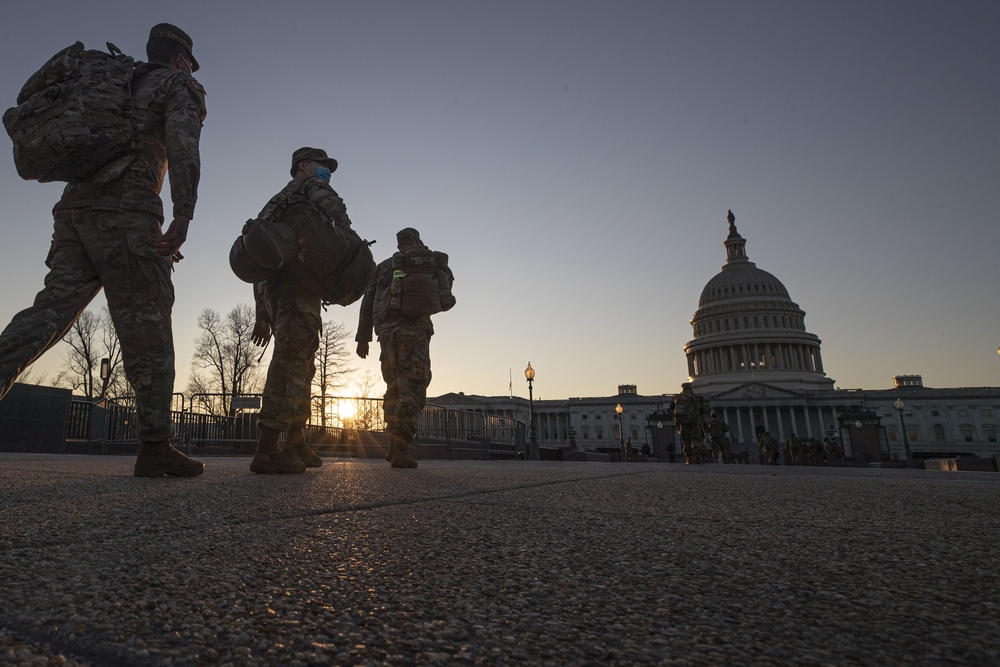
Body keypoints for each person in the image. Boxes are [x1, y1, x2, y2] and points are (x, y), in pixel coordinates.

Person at [0, 24, 206, 478]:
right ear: (180, 60)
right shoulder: (177, 85)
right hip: (128, 215)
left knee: (47, 313)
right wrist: (184, 212)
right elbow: (183, 146)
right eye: (190, 64)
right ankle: (155, 446)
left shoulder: (113, 82)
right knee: (149, 329)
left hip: (73, 212)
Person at [249, 147, 355, 474]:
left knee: (304, 366)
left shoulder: (275, 202)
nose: (326, 171)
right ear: (303, 165)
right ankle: (267, 450)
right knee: (291, 363)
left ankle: (295, 441)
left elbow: (258, 257)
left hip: (278, 291)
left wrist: (262, 312)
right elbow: (341, 221)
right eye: (322, 165)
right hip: (298, 290)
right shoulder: (311, 188)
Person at [356, 228, 454, 468]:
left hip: (385, 334)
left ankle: (392, 446)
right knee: (413, 387)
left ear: (398, 245)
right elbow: (446, 285)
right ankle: (401, 448)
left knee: (394, 389)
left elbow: (368, 300)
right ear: (417, 241)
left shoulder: (383, 267)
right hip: (414, 331)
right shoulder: (427, 262)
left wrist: (363, 337)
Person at [673, 382, 710, 464]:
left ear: (683, 388)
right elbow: (705, 411)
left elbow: (677, 412)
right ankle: (699, 451)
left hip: (684, 422)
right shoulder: (699, 398)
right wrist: (705, 423)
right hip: (696, 421)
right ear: (691, 388)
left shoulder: (678, 398)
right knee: (697, 438)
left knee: (686, 440)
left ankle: (689, 457)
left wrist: (677, 424)